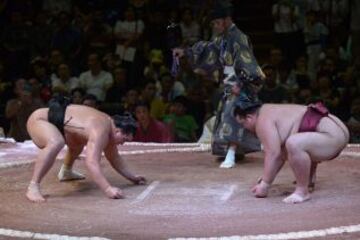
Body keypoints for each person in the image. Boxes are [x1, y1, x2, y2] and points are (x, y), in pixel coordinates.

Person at [172, 0, 264, 168]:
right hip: (229, 84)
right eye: (213, 23)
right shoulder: (222, 39)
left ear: (227, 19)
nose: (214, 26)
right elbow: (208, 50)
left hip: (241, 84)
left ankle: (231, 153)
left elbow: (248, 64)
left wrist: (242, 83)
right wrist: (185, 52)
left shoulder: (239, 38)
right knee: (225, 115)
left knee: (231, 114)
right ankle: (235, 151)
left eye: (216, 22)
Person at [26, 96, 146, 203]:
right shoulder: (101, 130)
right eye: (124, 140)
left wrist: (132, 177)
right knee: (56, 142)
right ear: (118, 131)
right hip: (39, 121)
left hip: (58, 124)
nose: (123, 144)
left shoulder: (109, 127)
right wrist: (107, 188)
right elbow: (91, 162)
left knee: (79, 138)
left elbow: (114, 157)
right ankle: (33, 186)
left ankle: (66, 171)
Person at [233, 98, 349, 203]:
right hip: (337, 131)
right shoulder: (268, 109)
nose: (245, 128)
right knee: (290, 144)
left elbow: (274, 154)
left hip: (331, 138)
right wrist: (266, 179)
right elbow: (281, 153)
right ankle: (308, 179)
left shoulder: (261, 121)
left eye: (243, 124)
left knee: (294, 143)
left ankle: (302, 191)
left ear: (249, 117)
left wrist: (264, 185)